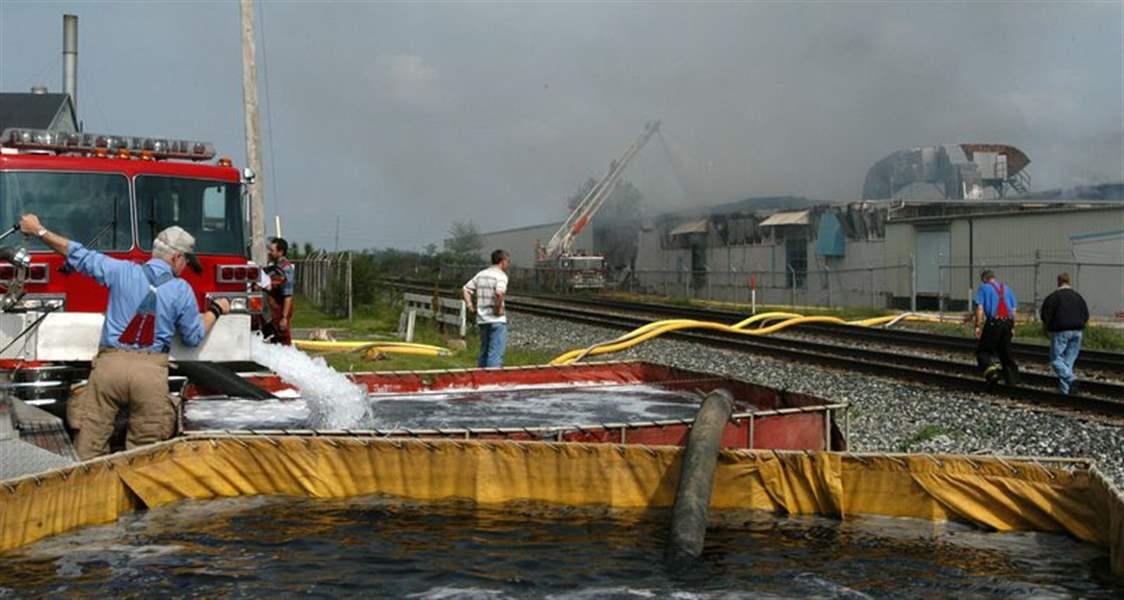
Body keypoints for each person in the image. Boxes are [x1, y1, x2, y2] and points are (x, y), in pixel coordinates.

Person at [18, 213, 230, 460]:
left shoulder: (120, 271)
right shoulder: (181, 290)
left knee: (90, 442)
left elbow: (77, 254)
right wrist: (216, 311)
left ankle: (85, 491)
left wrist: (39, 230)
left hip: (109, 369)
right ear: (176, 257)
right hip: (150, 373)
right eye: (186, 262)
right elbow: (193, 336)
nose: (185, 269)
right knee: (144, 452)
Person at [1039, 273, 1089, 395]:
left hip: (1060, 331)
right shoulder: (1078, 297)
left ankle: (1072, 380)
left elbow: (1045, 315)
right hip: (1078, 331)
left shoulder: (1053, 297)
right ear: (1069, 281)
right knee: (1067, 363)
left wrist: (1046, 327)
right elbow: (1086, 314)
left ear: (1058, 282)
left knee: (1056, 360)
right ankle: (1065, 392)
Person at [463, 249, 510, 368]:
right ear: (502, 261)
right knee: (495, 353)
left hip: (482, 319)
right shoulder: (501, 276)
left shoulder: (481, 274)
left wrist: (470, 306)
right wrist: (498, 309)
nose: (507, 264)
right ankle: (491, 381)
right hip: (497, 320)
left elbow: (466, 289)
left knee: (484, 351)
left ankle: (480, 378)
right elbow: (499, 293)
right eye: (507, 261)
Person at [974, 269, 1020, 386]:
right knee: (1005, 353)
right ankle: (1013, 381)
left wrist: (978, 326)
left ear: (984, 279)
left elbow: (980, 308)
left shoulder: (983, 288)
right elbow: (1013, 310)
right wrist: (1012, 327)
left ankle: (992, 374)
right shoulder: (1006, 288)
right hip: (1007, 323)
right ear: (994, 277)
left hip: (994, 323)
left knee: (983, 352)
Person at [263, 237, 295, 345]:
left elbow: (288, 295)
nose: (269, 253)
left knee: (283, 339)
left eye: (272, 250)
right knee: (273, 339)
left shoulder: (285, 269)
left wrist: (284, 318)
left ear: (280, 252)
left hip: (280, 309)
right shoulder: (275, 267)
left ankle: (289, 359)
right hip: (273, 309)